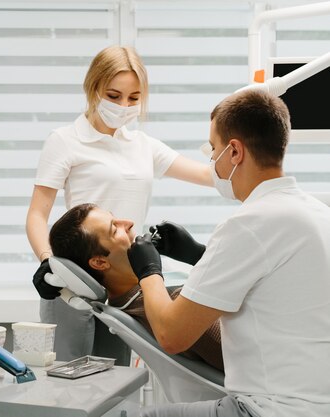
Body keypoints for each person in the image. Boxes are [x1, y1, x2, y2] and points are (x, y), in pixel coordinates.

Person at [127, 89, 330, 417]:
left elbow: (171, 335)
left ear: (234, 151)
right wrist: (199, 255)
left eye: (213, 148)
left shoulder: (248, 224)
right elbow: (275, 281)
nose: (211, 159)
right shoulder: (316, 213)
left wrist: (149, 271)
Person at [26, 45, 213, 360]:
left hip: (125, 282)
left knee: (120, 381)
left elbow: (211, 176)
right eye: (113, 96)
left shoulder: (142, 146)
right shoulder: (65, 141)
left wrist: (232, 141)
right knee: (73, 382)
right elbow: (36, 214)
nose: (124, 105)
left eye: (134, 98)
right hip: (77, 281)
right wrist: (49, 263)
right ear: (93, 87)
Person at [48, 203, 223, 371]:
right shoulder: (174, 305)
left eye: (115, 218)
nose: (130, 223)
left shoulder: (131, 302)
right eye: (115, 229)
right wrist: (153, 270)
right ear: (100, 262)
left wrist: (199, 256)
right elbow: (243, 353)